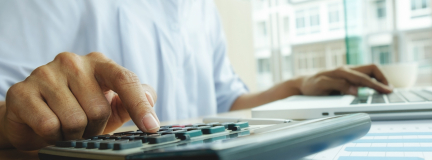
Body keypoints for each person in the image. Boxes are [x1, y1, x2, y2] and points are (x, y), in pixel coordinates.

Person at [0, 1, 392, 150]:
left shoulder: (201, 7)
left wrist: (296, 87)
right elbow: (13, 105)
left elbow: (224, 104)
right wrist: (12, 122)